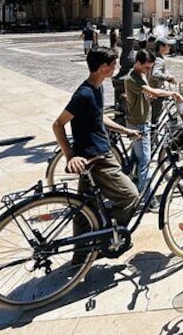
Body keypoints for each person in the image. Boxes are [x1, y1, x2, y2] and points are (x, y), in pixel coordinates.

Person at [51, 48, 142, 248]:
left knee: (85, 208)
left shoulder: (97, 87)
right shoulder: (84, 94)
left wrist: (125, 131)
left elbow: (99, 117)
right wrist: (70, 156)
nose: (116, 68)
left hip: (95, 155)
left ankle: (82, 255)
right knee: (130, 196)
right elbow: (58, 125)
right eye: (113, 64)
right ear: (103, 68)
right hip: (97, 158)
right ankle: (109, 237)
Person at [124, 49, 183, 209]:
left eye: (150, 67)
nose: (149, 70)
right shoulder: (133, 78)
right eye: (147, 67)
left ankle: (129, 189)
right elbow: (153, 91)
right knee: (145, 162)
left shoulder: (140, 75)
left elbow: (146, 93)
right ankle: (146, 197)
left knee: (136, 160)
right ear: (138, 63)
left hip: (141, 122)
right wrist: (172, 93)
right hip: (138, 124)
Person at [149, 38, 177, 125]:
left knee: (156, 117)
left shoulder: (156, 57)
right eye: (168, 45)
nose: (169, 47)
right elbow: (155, 74)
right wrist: (168, 77)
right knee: (155, 120)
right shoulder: (159, 60)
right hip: (157, 92)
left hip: (155, 91)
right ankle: (154, 136)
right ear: (161, 47)